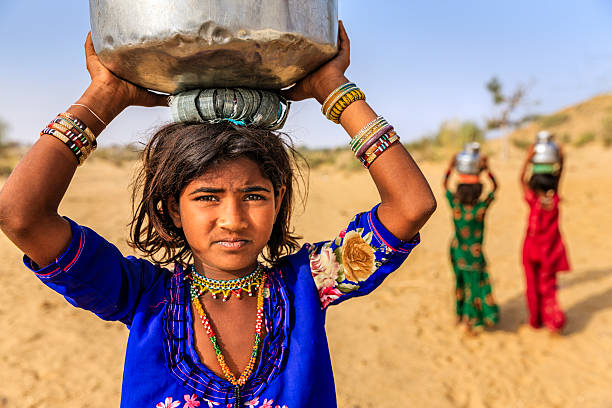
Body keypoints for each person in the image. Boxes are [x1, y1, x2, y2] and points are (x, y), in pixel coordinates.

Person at [0, 22, 435, 407]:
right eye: (207, 197)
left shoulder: (309, 284)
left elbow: (410, 206)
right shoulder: (141, 297)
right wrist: (104, 95)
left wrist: (334, 90)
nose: (233, 219)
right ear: (174, 207)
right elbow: (21, 215)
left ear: (279, 200)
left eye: (254, 196)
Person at [443, 155, 499, 333]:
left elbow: (445, 186)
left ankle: (459, 314)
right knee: (474, 286)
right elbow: (495, 188)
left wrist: (450, 167)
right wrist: (486, 170)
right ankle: (473, 319)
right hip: (475, 257)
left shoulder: (456, 206)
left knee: (459, 284)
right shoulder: (480, 209)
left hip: (457, 252)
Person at [519, 144, 569, 334]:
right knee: (548, 288)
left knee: (532, 287)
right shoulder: (554, 200)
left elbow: (520, 180)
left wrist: (527, 158)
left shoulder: (533, 200)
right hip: (550, 251)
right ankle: (553, 321)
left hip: (530, 250)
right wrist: (561, 159)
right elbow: (560, 175)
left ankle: (535, 321)